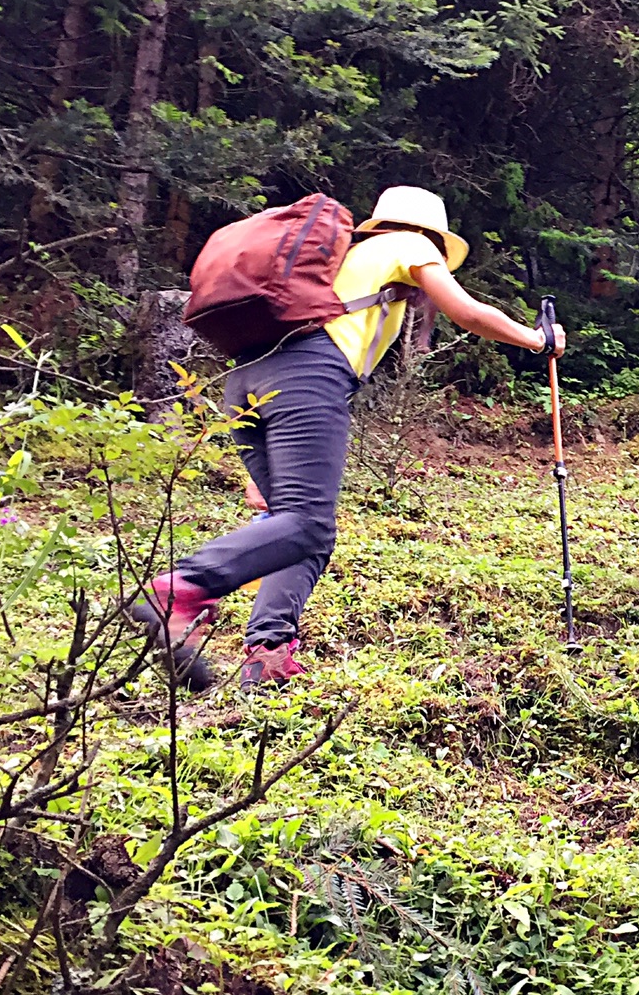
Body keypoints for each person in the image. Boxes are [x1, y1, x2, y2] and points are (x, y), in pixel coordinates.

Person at [131, 186, 565, 689]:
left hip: (247, 378)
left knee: (293, 529)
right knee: (309, 526)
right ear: (433, 237)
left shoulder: (342, 259)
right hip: (306, 374)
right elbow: (466, 313)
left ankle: (266, 653)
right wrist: (538, 339)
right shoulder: (410, 246)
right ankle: (180, 590)